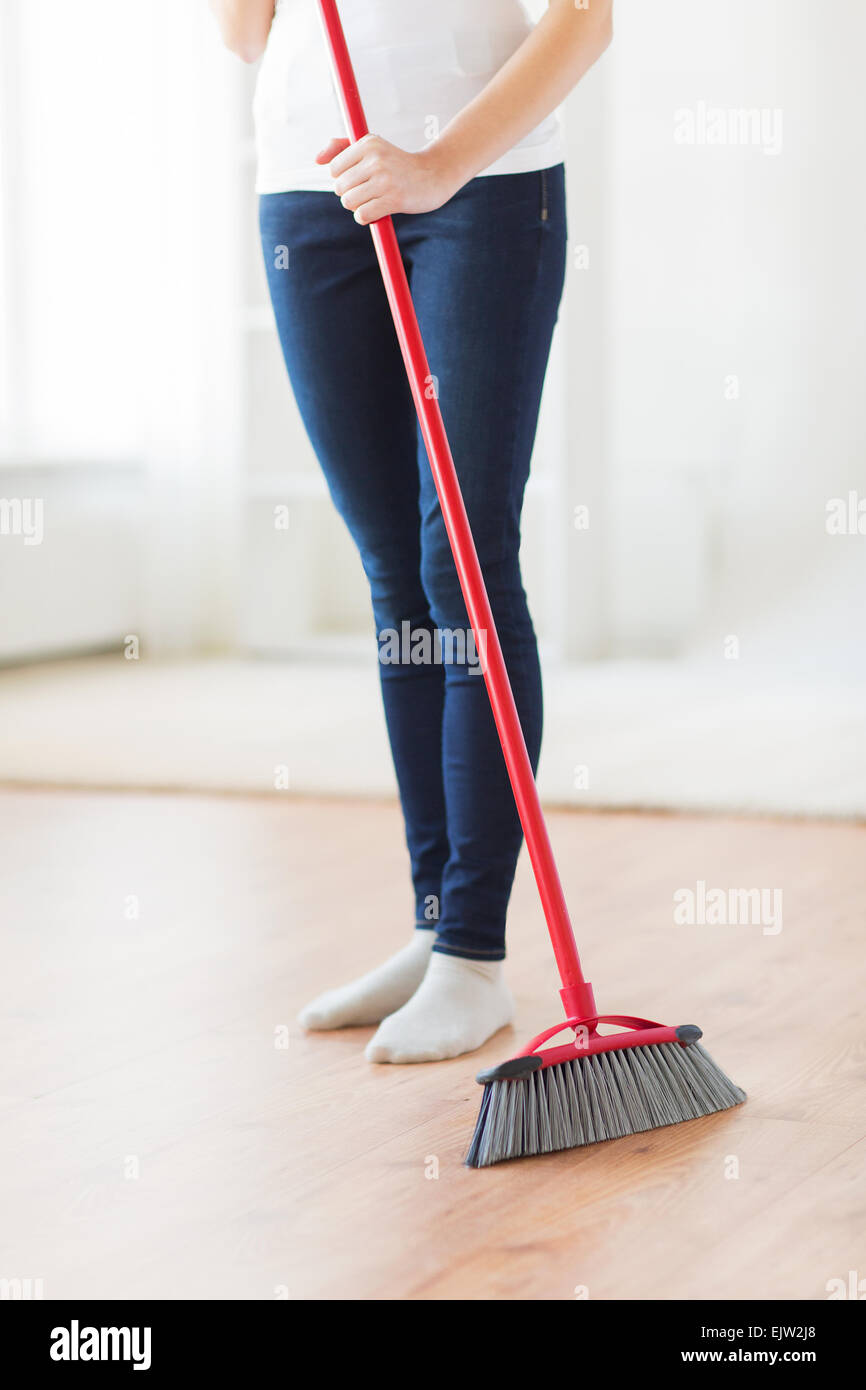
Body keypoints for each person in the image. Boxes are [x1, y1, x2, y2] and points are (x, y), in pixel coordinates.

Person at [210, 0, 613, 1062]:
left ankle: (473, 956)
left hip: (483, 189)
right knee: (395, 569)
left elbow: (581, 21)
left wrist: (435, 164)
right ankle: (437, 921)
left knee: (462, 559)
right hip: (310, 183)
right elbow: (244, 32)